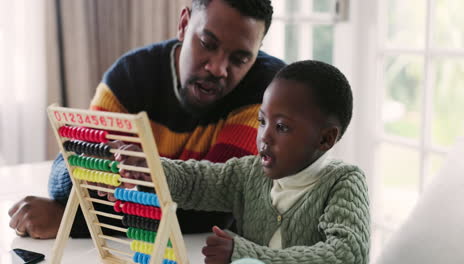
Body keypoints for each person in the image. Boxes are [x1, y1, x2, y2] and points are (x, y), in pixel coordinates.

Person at [8, 0, 284, 239]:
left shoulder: (268, 91)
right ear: (185, 24)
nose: (218, 68)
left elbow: (212, 207)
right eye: (207, 44)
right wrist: (90, 176)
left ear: (257, 52)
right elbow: (71, 174)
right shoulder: (130, 76)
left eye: (240, 59)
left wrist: (73, 222)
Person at [117, 60, 370, 263]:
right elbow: (197, 180)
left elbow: (346, 255)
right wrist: (150, 168)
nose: (264, 136)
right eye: (262, 121)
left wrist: (248, 254)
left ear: (325, 139)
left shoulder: (344, 181)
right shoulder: (250, 172)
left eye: (281, 127)